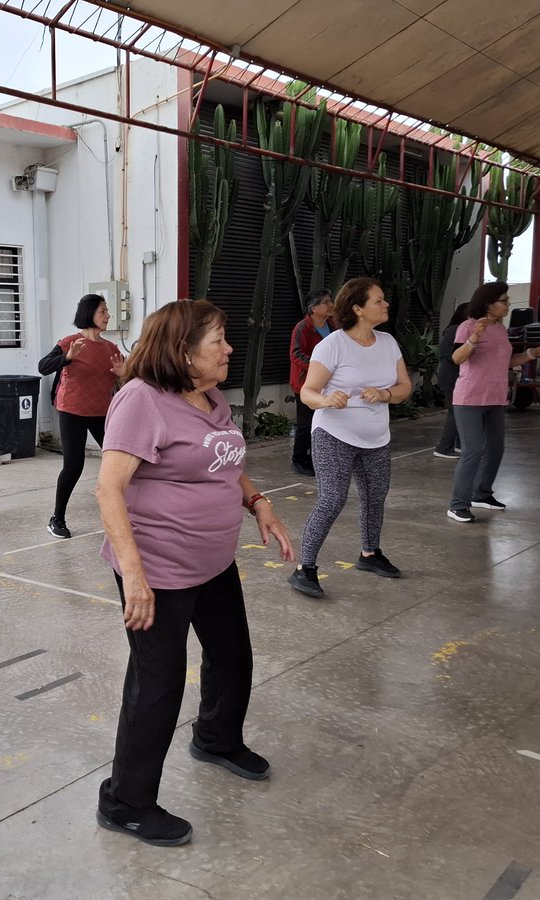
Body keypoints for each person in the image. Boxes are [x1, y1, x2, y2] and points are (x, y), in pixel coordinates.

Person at [94, 299, 294, 847]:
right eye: (219, 340)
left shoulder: (209, 397)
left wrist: (259, 503)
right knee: (156, 687)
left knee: (233, 657)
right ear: (182, 351)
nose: (230, 348)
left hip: (213, 562)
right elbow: (109, 489)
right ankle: (125, 803)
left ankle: (216, 739)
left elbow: (224, 460)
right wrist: (135, 578)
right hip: (157, 568)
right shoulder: (141, 400)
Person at [287, 278, 412, 599]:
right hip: (334, 434)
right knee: (332, 500)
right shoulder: (333, 345)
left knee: (375, 497)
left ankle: (369, 554)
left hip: (376, 437)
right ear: (357, 309)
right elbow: (309, 393)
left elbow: (404, 388)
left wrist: (385, 393)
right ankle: (305, 569)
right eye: (379, 300)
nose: (385, 305)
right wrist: (326, 400)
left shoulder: (387, 343)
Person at [446, 281, 540, 523]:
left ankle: (482, 494)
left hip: (496, 398)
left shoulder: (500, 329)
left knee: (496, 449)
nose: (508, 305)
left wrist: (536, 352)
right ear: (488, 304)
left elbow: (506, 361)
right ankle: (458, 505)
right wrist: (474, 338)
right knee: (473, 451)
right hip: (470, 398)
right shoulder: (468, 326)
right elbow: (457, 358)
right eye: (504, 301)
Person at [38, 293, 124, 539]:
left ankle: (129, 512)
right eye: (103, 312)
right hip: (72, 410)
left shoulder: (111, 348)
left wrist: (124, 373)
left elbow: (124, 381)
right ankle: (57, 518)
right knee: (74, 466)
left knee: (119, 461)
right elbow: (43, 367)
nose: (108, 316)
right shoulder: (70, 342)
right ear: (89, 315)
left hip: (101, 412)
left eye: (107, 311)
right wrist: (67, 358)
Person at [289, 288, 334, 475]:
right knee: (305, 424)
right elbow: (295, 354)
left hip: (326, 384)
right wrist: (318, 365)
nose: (331, 305)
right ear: (313, 308)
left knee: (323, 424)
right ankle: (299, 460)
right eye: (326, 302)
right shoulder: (303, 328)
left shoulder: (333, 327)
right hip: (305, 384)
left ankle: (316, 458)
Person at [433, 303, 469, 459]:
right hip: (450, 376)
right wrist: (463, 355)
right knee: (456, 412)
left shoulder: (464, 330)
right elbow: (446, 351)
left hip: (457, 376)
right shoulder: (454, 330)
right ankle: (444, 447)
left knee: (461, 411)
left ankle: (459, 444)